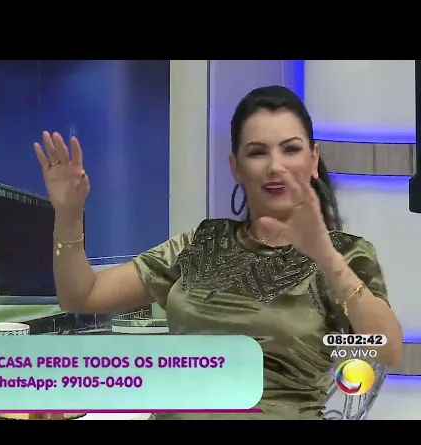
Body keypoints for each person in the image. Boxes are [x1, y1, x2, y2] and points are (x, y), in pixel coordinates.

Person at [33, 85, 403, 420]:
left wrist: (324, 254)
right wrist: (69, 214)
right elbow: (81, 295)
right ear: (235, 167)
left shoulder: (346, 254)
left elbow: (388, 350)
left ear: (313, 159)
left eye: (290, 149)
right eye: (257, 152)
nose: (275, 166)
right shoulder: (202, 243)